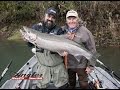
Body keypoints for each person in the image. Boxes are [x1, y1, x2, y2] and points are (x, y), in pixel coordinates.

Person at [23, 7, 69, 89]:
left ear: (55, 19)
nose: (50, 19)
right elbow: (30, 45)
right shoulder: (36, 27)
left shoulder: (59, 30)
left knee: (63, 86)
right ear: (45, 15)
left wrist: (64, 52)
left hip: (58, 66)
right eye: (49, 16)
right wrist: (27, 39)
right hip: (42, 67)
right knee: (40, 87)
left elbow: (64, 47)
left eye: (53, 17)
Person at [62, 10, 97, 89]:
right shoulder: (62, 30)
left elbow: (92, 50)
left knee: (84, 84)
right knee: (71, 83)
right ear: (66, 20)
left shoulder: (85, 32)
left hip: (81, 64)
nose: (71, 21)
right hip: (68, 64)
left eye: (74, 18)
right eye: (69, 19)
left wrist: (91, 66)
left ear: (77, 19)